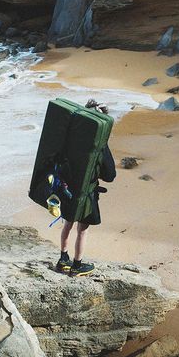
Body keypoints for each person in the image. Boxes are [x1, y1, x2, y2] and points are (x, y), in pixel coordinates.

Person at [56, 99, 116, 278]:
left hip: (67, 190)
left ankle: (63, 259)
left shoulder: (71, 138)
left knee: (68, 223)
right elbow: (110, 175)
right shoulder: (100, 147)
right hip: (86, 194)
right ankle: (77, 265)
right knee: (82, 230)